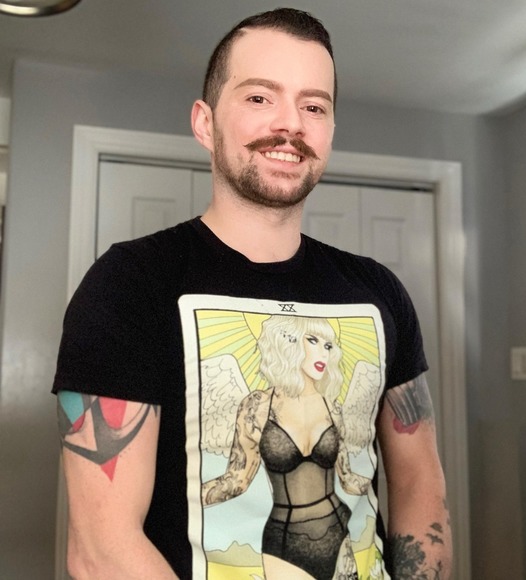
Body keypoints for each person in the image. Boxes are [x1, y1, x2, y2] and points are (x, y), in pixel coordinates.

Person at [53, 7, 452, 580]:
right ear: (205, 122)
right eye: (260, 97)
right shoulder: (130, 283)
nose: (290, 125)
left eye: (314, 106)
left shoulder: (378, 292)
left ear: (329, 131)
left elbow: (419, 481)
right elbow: (101, 550)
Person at [202, 315, 369, 579]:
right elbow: (236, 481)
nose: (323, 353)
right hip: (284, 541)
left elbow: (347, 479)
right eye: (313, 341)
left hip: (338, 531)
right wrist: (182, 496)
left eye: (328, 345)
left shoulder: (333, 409)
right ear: (286, 343)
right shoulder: (257, 407)